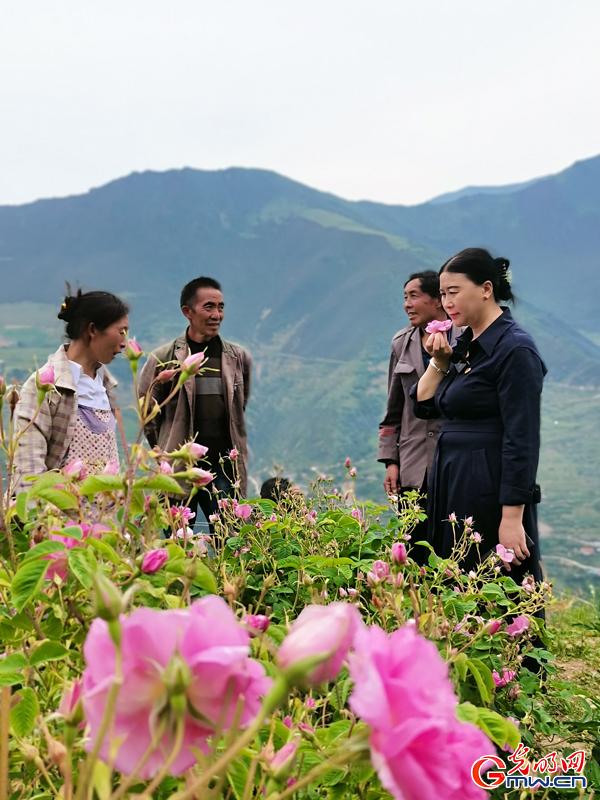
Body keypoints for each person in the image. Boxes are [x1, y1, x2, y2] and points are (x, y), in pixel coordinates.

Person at [412, 248, 545, 581]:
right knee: (454, 585)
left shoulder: (514, 349)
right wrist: (439, 362)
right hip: (453, 480)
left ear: (486, 289)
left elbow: (522, 438)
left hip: (487, 485)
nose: (446, 302)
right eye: (442, 294)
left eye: (453, 292)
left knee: (489, 587)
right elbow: (425, 404)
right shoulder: (465, 345)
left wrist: (512, 518)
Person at [138, 276, 251, 528]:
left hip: (223, 468)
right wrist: (165, 448)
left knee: (230, 541)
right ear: (187, 312)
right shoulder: (164, 358)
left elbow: (238, 408)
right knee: (177, 541)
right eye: (209, 307)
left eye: (221, 307)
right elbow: (147, 412)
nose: (217, 314)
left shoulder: (236, 358)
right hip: (178, 468)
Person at [13, 289, 129, 492]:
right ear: (92, 329)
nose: (124, 344)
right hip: (59, 518)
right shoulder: (44, 387)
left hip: (104, 519)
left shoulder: (105, 386)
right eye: (121, 331)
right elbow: (28, 470)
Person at [378, 271, 460, 498]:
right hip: (412, 467)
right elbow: (393, 411)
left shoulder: (463, 339)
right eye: (405, 298)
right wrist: (390, 462)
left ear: (437, 299)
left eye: (413, 296)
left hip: (452, 464)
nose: (407, 305)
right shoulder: (401, 344)